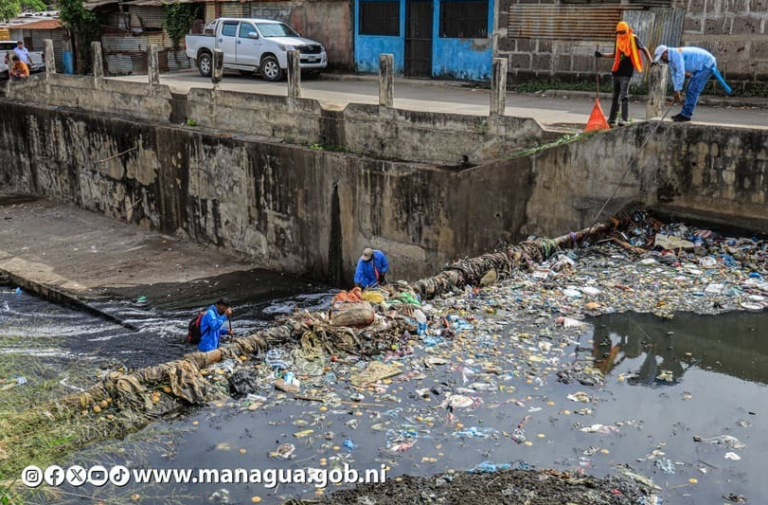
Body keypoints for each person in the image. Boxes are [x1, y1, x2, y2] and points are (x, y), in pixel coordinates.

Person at [595, 21, 652, 127]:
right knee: (615, 96)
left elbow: (644, 48)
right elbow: (614, 54)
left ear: (626, 30)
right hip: (616, 71)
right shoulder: (618, 39)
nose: (621, 34)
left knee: (624, 96)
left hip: (626, 72)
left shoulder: (633, 38)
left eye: (622, 32)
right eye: (619, 32)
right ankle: (612, 120)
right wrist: (602, 55)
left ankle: (624, 120)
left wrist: (651, 61)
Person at [652, 45, 718, 122]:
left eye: (662, 57)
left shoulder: (676, 54)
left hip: (707, 64)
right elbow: (674, 75)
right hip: (701, 66)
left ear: (665, 52)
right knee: (690, 89)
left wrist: (678, 90)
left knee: (693, 90)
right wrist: (676, 90)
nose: (662, 60)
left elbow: (680, 72)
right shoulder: (670, 61)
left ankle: (686, 115)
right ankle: (684, 113)